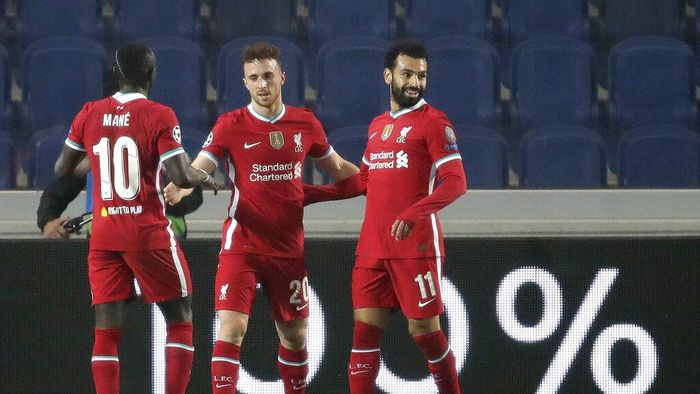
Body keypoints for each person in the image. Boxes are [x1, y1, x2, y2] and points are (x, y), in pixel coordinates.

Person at [163, 42, 359, 393]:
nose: (262, 84)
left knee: (295, 336)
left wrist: (380, 182)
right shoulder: (230, 125)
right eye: (254, 78)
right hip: (243, 243)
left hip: (287, 249)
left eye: (268, 76)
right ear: (245, 83)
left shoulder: (305, 123)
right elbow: (199, 167)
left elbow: (340, 168)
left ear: (282, 77)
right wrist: (183, 187)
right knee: (231, 329)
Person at [53, 42, 218, 394]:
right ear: (151, 74)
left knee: (107, 332)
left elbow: (62, 168)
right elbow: (183, 175)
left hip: (104, 234)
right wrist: (205, 176)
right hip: (146, 232)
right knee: (180, 318)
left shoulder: (90, 112)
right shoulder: (159, 115)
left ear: (117, 73)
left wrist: (99, 158)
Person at [304, 38, 467, 393]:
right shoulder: (378, 125)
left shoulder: (434, 123)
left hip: (416, 246)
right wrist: (308, 196)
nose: (415, 82)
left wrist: (413, 213)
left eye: (421, 76)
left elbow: (456, 183)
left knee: (424, 332)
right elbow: (363, 181)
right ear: (387, 76)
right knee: (363, 334)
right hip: (373, 247)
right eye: (407, 73)